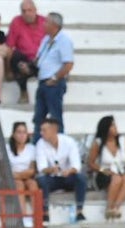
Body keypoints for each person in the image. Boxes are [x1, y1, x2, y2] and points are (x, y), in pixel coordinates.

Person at [34, 116, 86, 223]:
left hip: (68, 177)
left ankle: (79, 211)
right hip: (52, 179)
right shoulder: (40, 144)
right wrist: (51, 170)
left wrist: (69, 171)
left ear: (54, 129)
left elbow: (77, 165)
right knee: (42, 180)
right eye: (41, 130)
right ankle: (45, 213)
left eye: (44, 130)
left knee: (81, 178)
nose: (41, 133)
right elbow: (41, 168)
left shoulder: (69, 142)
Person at [31, 11, 73, 142]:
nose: (44, 24)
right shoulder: (46, 39)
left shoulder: (64, 40)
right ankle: (37, 145)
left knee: (55, 117)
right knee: (39, 117)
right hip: (43, 81)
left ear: (54, 25)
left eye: (47, 22)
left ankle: (59, 145)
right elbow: (39, 59)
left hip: (53, 83)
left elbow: (68, 64)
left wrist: (55, 78)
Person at [86, 114, 125, 220]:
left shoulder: (123, 140)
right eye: (112, 126)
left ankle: (116, 207)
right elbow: (91, 163)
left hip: (121, 171)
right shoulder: (98, 142)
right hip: (105, 173)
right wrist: (103, 170)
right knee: (116, 179)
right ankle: (109, 207)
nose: (115, 128)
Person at [6, 0, 44, 105]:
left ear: (35, 10)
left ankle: (30, 68)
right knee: (17, 59)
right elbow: (9, 46)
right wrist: (7, 70)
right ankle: (23, 92)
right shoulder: (16, 22)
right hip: (24, 58)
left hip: (41, 58)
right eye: (24, 11)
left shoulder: (45, 22)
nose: (27, 13)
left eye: (29, 10)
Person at [6, 120, 37, 226]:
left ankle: (37, 216)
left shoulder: (31, 148)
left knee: (32, 184)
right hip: (13, 179)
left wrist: (18, 175)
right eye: (19, 132)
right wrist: (17, 176)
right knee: (19, 185)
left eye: (24, 132)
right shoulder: (8, 149)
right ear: (14, 134)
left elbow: (32, 170)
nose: (22, 135)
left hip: (25, 176)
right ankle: (23, 217)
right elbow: (7, 169)